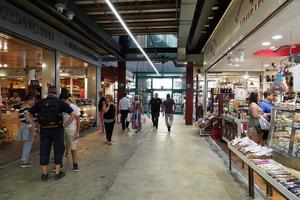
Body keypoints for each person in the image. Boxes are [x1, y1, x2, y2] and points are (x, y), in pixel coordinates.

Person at [25, 86, 76, 181]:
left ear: (48, 92)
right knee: (58, 149)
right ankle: (57, 173)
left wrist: (34, 125)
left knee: (44, 150)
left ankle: (44, 174)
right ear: (56, 93)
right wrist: (67, 124)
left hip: (44, 130)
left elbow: (27, 114)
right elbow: (73, 114)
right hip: (57, 129)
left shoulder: (41, 102)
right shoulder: (60, 102)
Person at [60, 91, 81, 172]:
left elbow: (78, 120)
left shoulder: (74, 107)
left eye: (63, 100)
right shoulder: (61, 107)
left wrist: (77, 132)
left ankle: (75, 164)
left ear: (67, 99)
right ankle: (60, 163)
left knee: (73, 148)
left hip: (71, 130)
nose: (62, 102)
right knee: (61, 147)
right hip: (62, 130)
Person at [16, 95, 36, 168]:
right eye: (33, 100)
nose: (34, 102)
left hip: (24, 127)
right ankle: (24, 161)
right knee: (28, 144)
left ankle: (24, 159)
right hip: (28, 127)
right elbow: (28, 117)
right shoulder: (28, 109)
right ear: (29, 100)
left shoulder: (22, 108)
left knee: (27, 144)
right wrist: (34, 126)